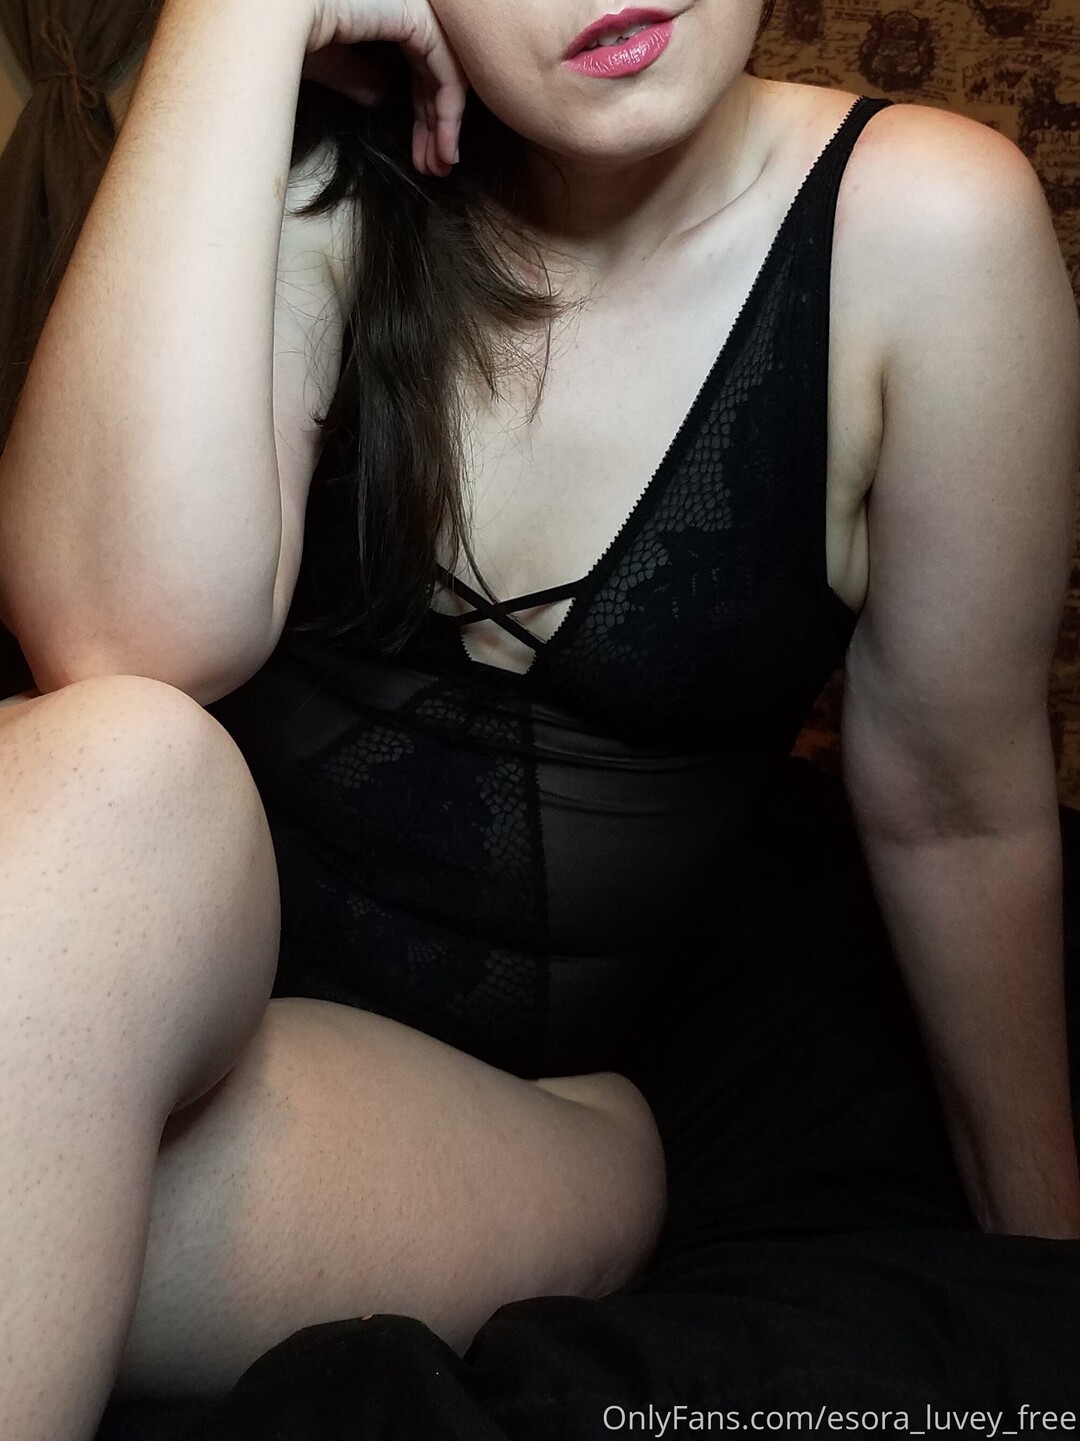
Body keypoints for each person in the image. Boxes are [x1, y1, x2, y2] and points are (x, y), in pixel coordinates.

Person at [0, 0, 1078, 1435]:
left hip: (511, 1112)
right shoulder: (328, 163)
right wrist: (240, 18)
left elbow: (957, 809)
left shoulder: (923, 231)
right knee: (118, 766)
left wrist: (1045, 1273)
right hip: (110, 939)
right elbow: (120, 638)